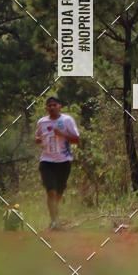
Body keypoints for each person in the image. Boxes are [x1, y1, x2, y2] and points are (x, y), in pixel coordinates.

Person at [35, 96, 80, 229]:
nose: (52, 107)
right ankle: (54, 222)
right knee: (51, 192)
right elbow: (37, 137)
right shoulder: (42, 122)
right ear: (46, 108)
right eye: (49, 105)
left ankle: (54, 216)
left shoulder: (67, 120)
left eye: (54, 105)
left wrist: (61, 134)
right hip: (47, 161)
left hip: (63, 162)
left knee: (58, 194)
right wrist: (38, 139)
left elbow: (77, 140)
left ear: (60, 106)